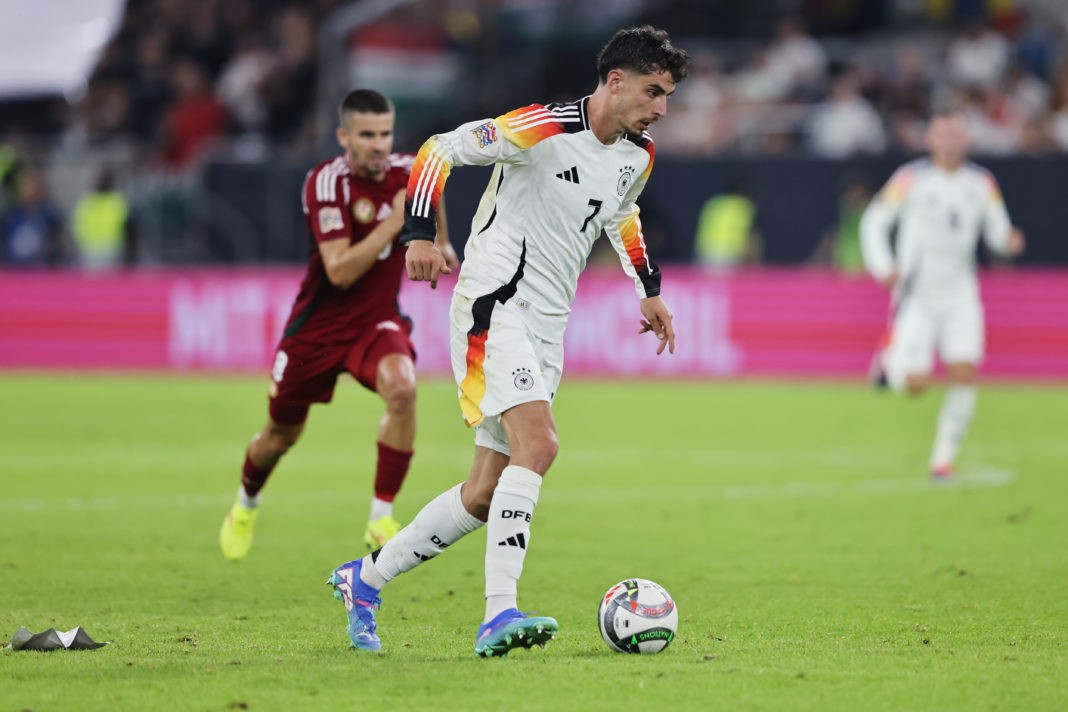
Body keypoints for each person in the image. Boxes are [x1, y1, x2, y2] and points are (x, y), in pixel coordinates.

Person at [326, 25, 689, 657]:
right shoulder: (542, 127)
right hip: (495, 305)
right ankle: (500, 613)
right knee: (540, 444)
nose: (661, 108)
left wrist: (647, 286)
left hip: (548, 326)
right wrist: (417, 232)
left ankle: (365, 578)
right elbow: (439, 150)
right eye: (654, 92)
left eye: (668, 97)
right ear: (616, 80)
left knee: (485, 491)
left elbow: (621, 212)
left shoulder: (639, 154)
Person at [219, 89, 456, 560]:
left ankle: (380, 518)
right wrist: (394, 225)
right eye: (367, 135)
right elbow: (340, 271)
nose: (378, 144)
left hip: (375, 322)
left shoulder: (409, 171)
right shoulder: (326, 183)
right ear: (344, 136)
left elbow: (433, 181)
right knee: (278, 438)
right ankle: (245, 504)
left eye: (385, 133)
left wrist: (439, 240)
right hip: (316, 332)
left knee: (404, 390)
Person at [860, 106, 1024, 480]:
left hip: (961, 293)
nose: (949, 142)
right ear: (930, 139)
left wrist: (1007, 241)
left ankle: (943, 459)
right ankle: (889, 360)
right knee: (916, 386)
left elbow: (997, 231)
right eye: (942, 135)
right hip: (918, 293)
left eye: (955, 135)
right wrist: (883, 266)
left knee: (964, 371)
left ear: (966, 140)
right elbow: (874, 220)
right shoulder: (911, 179)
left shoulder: (982, 183)